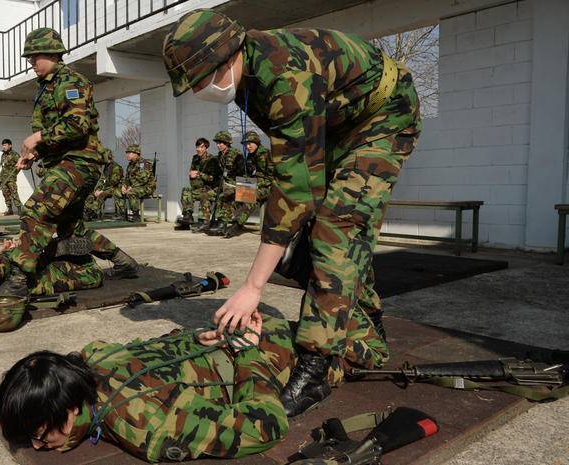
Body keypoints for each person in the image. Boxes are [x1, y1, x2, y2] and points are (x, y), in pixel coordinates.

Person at [163, 10, 422, 416]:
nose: (198, 90)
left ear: (229, 54)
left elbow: (295, 188)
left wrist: (253, 287)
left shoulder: (285, 74)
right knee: (317, 236)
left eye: (200, 79)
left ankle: (316, 365)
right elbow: (296, 171)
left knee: (338, 225)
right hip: (338, 123)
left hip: (383, 117)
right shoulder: (249, 78)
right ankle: (367, 327)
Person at [0, 311, 294, 461]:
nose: (36, 445)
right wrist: (194, 337)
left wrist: (248, 354)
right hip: (230, 330)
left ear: (71, 408)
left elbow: (266, 425)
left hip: (269, 343)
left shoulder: (148, 427)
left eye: (39, 434)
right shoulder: (94, 355)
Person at [0, 27, 140, 295]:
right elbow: (56, 136)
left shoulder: (70, 82)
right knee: (69, 228)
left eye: (33, 57)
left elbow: (77, 126)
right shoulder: (46, 88)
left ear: (51, 54)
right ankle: (123, 262)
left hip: (79, 162)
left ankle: (18, 279)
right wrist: (34, 154)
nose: (30, 63)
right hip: (66, 162)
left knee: (36, 211)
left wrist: (37, 137)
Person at [222, 130, 274, 239]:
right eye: (246, 145)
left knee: (250, 196)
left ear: (256, 142)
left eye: (249, 144)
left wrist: (257, 184)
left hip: (268, 187)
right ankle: (224, 222)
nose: (247, 146)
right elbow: (250, 174)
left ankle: (237, 224)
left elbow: (272, 177)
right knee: (232, 192)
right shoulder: (250, 156)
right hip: (254, 185)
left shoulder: (267, 155)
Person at [199, 131, 242, 235]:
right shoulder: (220, 155)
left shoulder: (236, 154)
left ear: (227, 143)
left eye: (220, 143)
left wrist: (233, 184)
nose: (218, 145)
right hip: (223, 185)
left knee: (224, 195)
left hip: (234, 185)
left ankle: (222, 223)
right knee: (206, 195)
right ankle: (206, 221)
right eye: (217, 143)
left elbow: (242, 173)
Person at [176, 137, 221, 230]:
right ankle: (188, 216)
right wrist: (192, 174)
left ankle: (203, 221)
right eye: (197, 147)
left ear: (206, 148)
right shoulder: (195, 158)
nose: (198, 149)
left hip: (211, 188)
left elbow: (213, 178)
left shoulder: (212, 160)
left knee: (205, 195)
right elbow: (192, 171)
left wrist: (199, 174)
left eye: (201, 147)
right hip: (199, 187)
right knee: (186, 190)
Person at [114, 145, 156, 222]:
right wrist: (124, 186)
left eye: (129, 153)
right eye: (127, 153)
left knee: (131, 192)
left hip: (147, 187)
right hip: (135, 186)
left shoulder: (144, 163)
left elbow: (143, 179)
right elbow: (127, 178)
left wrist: (131, 187)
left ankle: (136, 215)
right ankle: (122, 214)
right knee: (117, 191)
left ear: (136, 153)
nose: (127, 155)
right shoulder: (130, 165)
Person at [84, 156, 124, 221]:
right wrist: (98, 189)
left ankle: (91, 212)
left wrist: (102, 190)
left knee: (101, 195)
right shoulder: (105, 167)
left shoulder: (116, 167)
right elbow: (102, 180)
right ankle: (87, 211)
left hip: (115, 188)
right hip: (106, 187)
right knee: (91, 195)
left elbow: (113, 182)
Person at [0, 138, 23, 216]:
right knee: (6, 194)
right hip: (3, 178)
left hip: (11, 178)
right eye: (3, 145)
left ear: (10, 145)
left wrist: (14, 174)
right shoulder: (3, 155)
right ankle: (10, 209)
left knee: (14, 193)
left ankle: (20, 210)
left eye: (5, 145)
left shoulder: (14, 154)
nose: (3, 147)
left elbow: (20, 165)